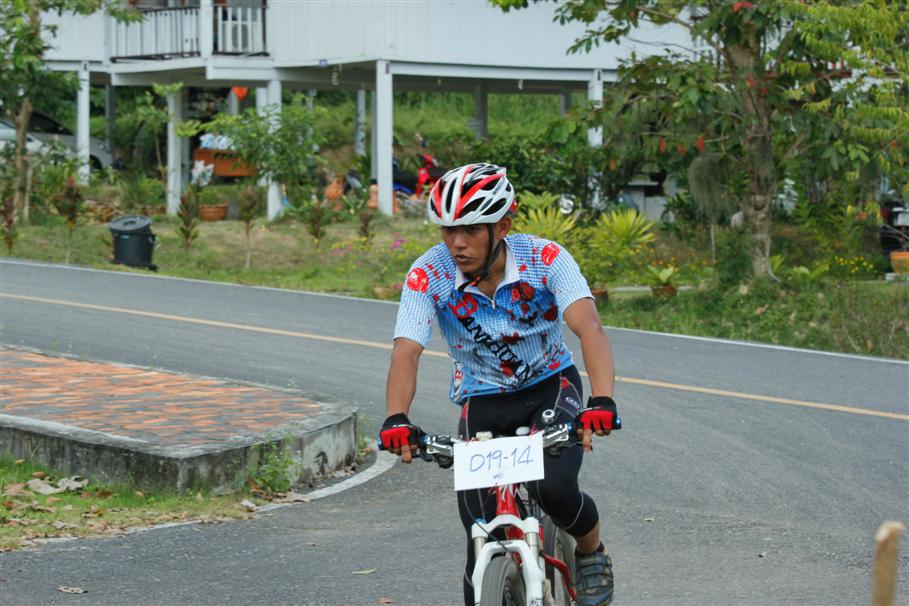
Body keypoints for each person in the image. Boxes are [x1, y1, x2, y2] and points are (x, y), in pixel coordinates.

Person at [380, 163, 619, 606]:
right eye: (448, 230)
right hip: (482, 398)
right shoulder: (427, 274)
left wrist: (601, 400)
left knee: (554, 489)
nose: (457, 242)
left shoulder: (545, 259)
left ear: (502, 226)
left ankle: (591, 553)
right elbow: (406, 350)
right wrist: (397, 417)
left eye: (471, 230)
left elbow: (589, 328)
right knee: (479, 535)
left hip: (550, 385)